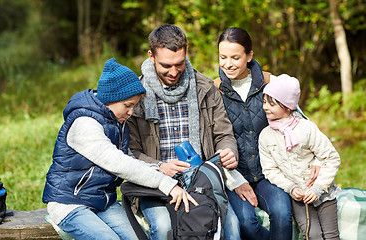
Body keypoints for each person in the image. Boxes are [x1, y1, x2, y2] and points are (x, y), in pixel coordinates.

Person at [42, 57, 197, 240]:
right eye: (128, 106)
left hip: (102, 201)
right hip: (70, 203)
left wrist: (158, 168)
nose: (131, 112)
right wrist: (166, 185)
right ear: (111, 98)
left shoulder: (115, 121)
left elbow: (128, 159)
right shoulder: (84, 124)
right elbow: (119, 163)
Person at [128, 24, 246, 240]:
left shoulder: (205, 87)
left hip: (200, 181)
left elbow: (224, 135)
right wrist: (160, 167)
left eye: (179, 64)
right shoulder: (135, 96)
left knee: (231, 226)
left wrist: (228, 150)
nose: (173, 72)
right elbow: (129, 152)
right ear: (151, 56)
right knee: (164, 228)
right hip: (155, 185)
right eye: (166, 65)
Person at [215, 27, 322, 240]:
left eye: (235, 57)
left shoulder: (271, 83)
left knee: (282, 214)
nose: (228, 64)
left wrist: (318, 158)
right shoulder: (214, 91)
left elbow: (300, 122)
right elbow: (212, 141)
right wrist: (235, 180)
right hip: (234, 176)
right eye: (222, 57)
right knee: (246, 223)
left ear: (249, 56)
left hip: (271, 173)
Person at [259, 74, 341, 239]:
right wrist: (290, 187)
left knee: (331, 235)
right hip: (299, 198)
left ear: (288, 106)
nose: (265, 107)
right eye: (264, 101)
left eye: (271, 103)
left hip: (324, 193)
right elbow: (270, 170)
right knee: (312, 234)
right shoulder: (265, 136)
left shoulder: (306, 128)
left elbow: (331, 158)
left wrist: (318, 187)